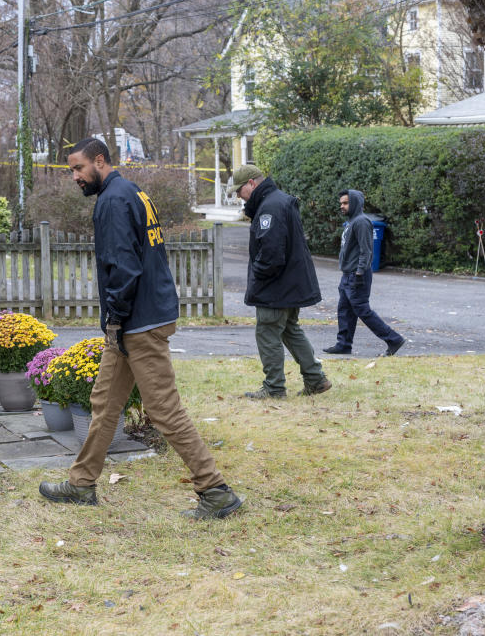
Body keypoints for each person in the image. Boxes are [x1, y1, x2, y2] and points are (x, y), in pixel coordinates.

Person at [39, 138, 243, 520]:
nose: (74, 177)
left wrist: (115, 320)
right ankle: (82, 484)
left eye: (78, 168)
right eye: (71, 170)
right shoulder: (132, 192)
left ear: (100, 161)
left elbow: (125, 269)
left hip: (138, 322)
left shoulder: (113, 201)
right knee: (104, 403)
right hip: (141, 317)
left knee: (164, 410)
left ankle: (215, 490)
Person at [227, 164, 332, 400]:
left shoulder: (269, 208)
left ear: (251, 184)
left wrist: (258, 276)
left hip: (275, 286)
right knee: (290, 330)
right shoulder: (277, 201)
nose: (238, 196)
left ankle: (274, 388)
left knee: (267, 332)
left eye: (239, 190)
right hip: (289, 282)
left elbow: (272, 253)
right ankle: (316, 379)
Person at [322, 190, 405, 357]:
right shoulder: (352, 222)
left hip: (357, 275)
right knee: (344, 309)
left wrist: (359, 273)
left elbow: (366, 251)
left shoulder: (361, 222)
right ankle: (344, 344)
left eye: (345, 203)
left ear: (355, 203)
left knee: (362, 310)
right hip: (347, 274)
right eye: (341, 203)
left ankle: (393, 339)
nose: (342, 206)